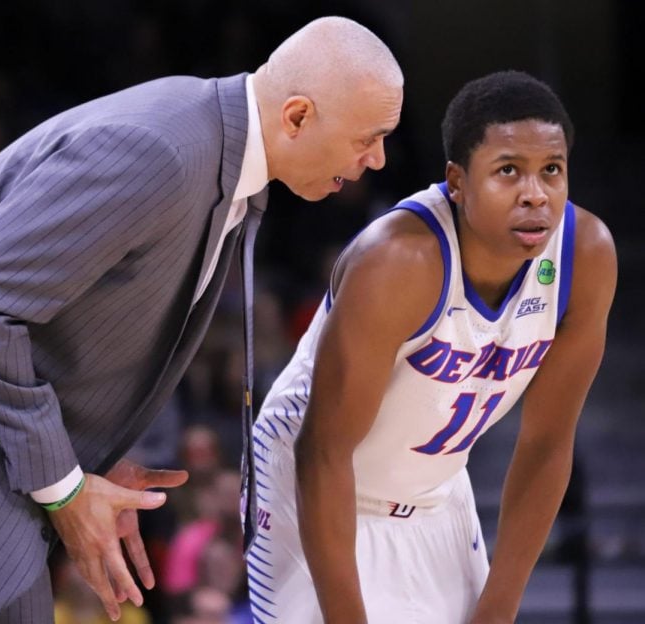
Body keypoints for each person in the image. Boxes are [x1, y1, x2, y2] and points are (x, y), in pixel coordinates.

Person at [0, 15, 403, 624]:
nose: (376, 161)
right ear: (297, 116)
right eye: (368, 137)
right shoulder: (161, 151)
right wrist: (64, 485)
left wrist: (88, 466)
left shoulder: (216, 150)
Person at [245, 70, 616, 623]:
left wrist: (499, 607)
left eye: (552, 171)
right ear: (457, 181)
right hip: (311, 484)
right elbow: (322, 454)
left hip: (437, 492)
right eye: (508, 171)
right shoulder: (397, 263)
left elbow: (547, 444)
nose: (535, 194)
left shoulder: (584, 255)